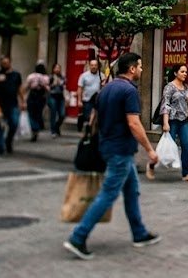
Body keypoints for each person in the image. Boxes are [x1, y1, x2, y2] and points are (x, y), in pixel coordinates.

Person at [64, 52, 161, 259]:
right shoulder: (129, 91)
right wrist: (150, 149)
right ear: (132, 69)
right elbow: (134, 123)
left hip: (108, 146)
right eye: (140, 66)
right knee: (108, 194)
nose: (142, 70)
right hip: (120, 150)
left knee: (132, 190)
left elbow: (94, 118)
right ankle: (78, 237)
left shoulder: (106, 88)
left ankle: (139, 233)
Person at [156, 64, 188, 182]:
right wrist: (165, 123)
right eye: (182, 71)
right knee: (167, 145)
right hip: (172, 120)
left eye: (186, 72)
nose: (185, 74)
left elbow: (186, 102)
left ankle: (186, 173)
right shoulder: (169, 87)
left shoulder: (185, 87)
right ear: (175, 73)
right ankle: (152, 163)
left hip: (183, 120)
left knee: (186, 144)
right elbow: (165, 105)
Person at [0, 56, 24, 155]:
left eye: (6, 63)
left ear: (10, 63)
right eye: (2, 63)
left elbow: (19, 88)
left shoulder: (16, 75)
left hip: (13, 103)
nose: (4, 65)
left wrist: (23, 100)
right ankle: (0, 146)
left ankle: (9, 140)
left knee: (14, 123)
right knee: (0, 126)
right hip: (0, 104)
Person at [25, 63, 50, 142]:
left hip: (33, 95)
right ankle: (36, 128)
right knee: (38, 113)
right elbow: (47, 89)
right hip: (41, 96)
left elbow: (27, 86)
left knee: (31, 113)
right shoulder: (46, 77)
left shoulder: (31, 76)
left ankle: (34, 128)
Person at [76, 59, 102, 131]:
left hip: (97, 100)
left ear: (98, 66)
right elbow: (80, 88)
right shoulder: (84, 76)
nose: (93, 67)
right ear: (89, 66)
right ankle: (88, 130)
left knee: (95, 118)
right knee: (88, 117)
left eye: (95, 65)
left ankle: (91, 132)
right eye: (92, 65)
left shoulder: (101, 75)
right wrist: (79, 100)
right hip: (87, 100)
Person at [47, 63, 66, 137]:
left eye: (59, 68)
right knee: (53, 114)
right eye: (56, 68)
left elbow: (64, 86)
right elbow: (47, 87)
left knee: (62, 114)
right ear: (53, 69)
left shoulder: (62, 77)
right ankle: (53, 131)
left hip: (61, 97)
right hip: (52, 96)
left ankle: (57, 126)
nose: (57, 69)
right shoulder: (50, 77)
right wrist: (53, 84)